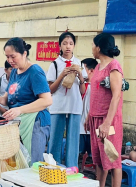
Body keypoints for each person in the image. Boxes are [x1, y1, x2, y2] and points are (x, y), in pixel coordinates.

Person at [0, 37, 52, 165]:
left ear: (24, 53)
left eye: (13, 56)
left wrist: (20, 110)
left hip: (35, 123)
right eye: (7, 57)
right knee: (17, 163)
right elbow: (8, 98)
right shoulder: (14, 73)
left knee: (31, 163)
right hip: (18, 122)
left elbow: (47, 100)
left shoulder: (35, 71)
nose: (10, 60)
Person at [84, 33, 123, 187]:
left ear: (99, 47)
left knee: (113, 160)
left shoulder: (114, 66)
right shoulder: (99, 66)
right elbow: (95, 95)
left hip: (109, 120)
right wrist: (89, 116)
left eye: (93, 45)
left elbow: (116, 97)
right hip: (95, 119)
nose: (92, 48)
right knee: (99, 159)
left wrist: (107, 123)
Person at [47, 31, 88, 168]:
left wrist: (81, 77)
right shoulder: (55, 64)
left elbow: (83, 91)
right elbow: (50, 90)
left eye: (71, 43)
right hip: (58, 105)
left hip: (75, 106)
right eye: (64, 43)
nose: (68, 47)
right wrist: (62, 75)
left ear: (74, 46)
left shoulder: (79, 63)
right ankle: (54, 167)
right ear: (60, 46)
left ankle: (72, 168)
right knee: (55, 139)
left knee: (73, 140)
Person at [79, 58, 98, 156]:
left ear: (91, 71)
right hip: (79, 128)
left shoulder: (98, 87)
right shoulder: (81, 85)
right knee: (79, 155)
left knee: (93, 156)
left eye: (83, 69)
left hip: (92, 129)